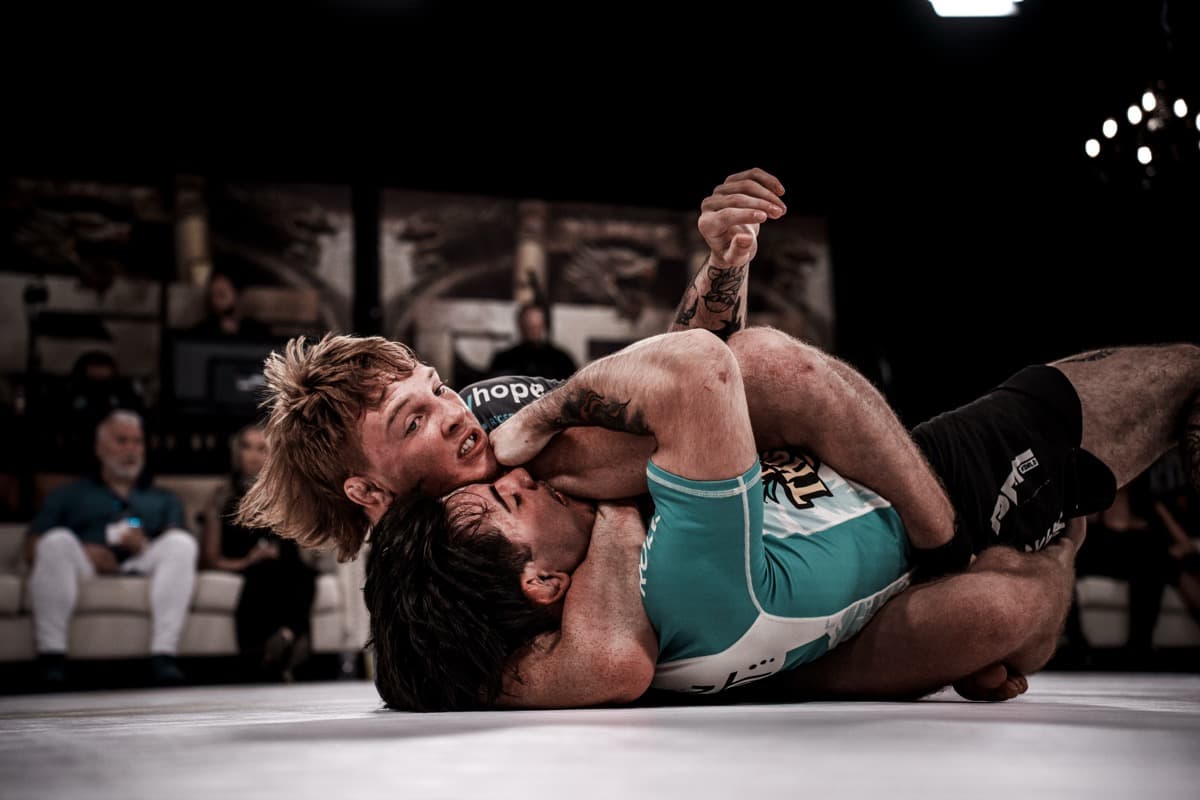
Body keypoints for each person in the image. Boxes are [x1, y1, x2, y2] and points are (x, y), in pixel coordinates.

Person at [25, 409, 198, 687]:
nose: (131, 449)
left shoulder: (163, 498)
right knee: (56, 540)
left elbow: (174, 542)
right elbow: (32, 546)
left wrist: (143, 545)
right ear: (100, 448)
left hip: (140, 563)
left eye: (137, 441)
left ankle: (164, 657)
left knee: (182, 543)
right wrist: (85, 551)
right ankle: (52, 657)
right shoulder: (69, 494)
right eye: (122, 440)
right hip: (85, 565)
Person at [201, 422, 315, 681]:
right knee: (269, 572)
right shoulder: (221, 497)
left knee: (301, 572)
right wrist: (247, 560)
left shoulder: (284, 497)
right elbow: (209, 559)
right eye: (247, 447)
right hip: (247, 566)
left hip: (284, 567)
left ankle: (284, 638)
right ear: (236, 452)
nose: (253, 455)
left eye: (261, 449)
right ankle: (290, 639)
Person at [486, 304, 577, 381]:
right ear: (520, 325)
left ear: (543, 325)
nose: (533, 331)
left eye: (536, 327)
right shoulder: (503, 360)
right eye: (529, 327)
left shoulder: (561, 360)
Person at [190, 269, 271, 338]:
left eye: (222, 294)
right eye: (213, 295)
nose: (216, 300)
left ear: (237, 294)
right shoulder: (202, 331)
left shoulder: (256, 330)